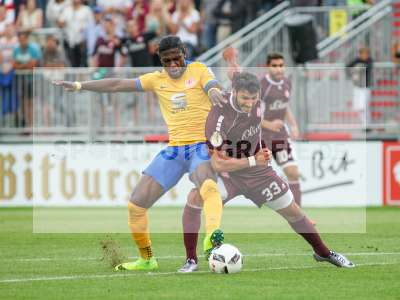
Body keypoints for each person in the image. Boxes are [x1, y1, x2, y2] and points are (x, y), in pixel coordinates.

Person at [54, 35, 227, 271]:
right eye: (167, 61)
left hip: (201, 146)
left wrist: (214, 90)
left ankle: (212, 235)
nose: (173, 65)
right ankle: (147, 259)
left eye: (176, 58)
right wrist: (80, 85)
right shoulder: (156, 80)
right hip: (175, 150)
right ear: (161, 60)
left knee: (207, 185)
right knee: (136, 205)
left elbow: (210, 84)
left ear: (184, 53)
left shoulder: (198, 69)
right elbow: (116, 85)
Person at [179, 71, 355, 272]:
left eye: (254, 98)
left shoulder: (256, 99)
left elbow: (241, 77)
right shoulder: (218, 117)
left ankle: (324, 253)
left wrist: (233, 64)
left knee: (294, 212)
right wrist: (254, 159)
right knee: (194, 198)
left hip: (259, 174)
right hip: (230, 173)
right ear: (235, 92)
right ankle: (191, 260)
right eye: (245, 98)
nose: (250, 103)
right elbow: (218, 165)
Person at [224, 49, 303, 207]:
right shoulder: (261, 86)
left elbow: (284, 107)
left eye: (281, 65)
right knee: (248, 176)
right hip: (259, 137)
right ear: (268, 67)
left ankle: (299, 215)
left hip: (280, 137)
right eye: (274, 65)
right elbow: (250, 114)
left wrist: (293, 125)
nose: (278, 68)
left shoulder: (287, 83)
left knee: (293, 173)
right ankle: (215, 202)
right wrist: (270, 124)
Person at [13, 30, 41, 128]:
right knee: (23, 103)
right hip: (21, 81)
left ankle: (31, 125)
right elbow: (14, 65)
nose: (21, 41)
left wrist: (21, 65)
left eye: (23, 39)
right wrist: (25, 65)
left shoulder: (33, 49)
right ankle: (26, 125)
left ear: (27, 39)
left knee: (30, 103)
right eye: (20, 40)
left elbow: (33, 65)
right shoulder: (16, 49)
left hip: (31, 80)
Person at [58, 0, 94, 67]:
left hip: (83, 42)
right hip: (70, 42)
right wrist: (63, 23)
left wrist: (85, 33)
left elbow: (91, 25)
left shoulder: (86, 10)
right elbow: (60, 23)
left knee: (85, 63)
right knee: (73, 64)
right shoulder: (67, 10)